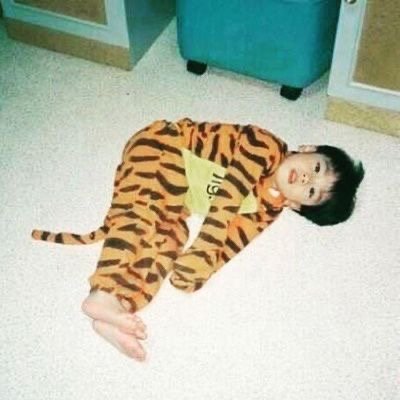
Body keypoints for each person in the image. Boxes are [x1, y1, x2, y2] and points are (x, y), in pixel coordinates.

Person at [32, 119, 364, 361]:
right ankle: (102, 293)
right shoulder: (265, 145)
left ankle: (117, 310)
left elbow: (231, 242)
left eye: (311, 191)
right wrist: (201, 254)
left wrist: (200, 271)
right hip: (162, 148)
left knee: (171, 236)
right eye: (316, 167)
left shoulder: (269, 209)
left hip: (177, 198)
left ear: (296, 205)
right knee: (142, 213)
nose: (306, 178)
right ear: (308, 149)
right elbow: (225, 204)